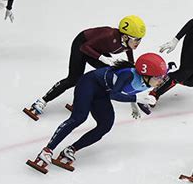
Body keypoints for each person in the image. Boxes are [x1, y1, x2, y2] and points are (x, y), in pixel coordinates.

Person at [26, 53, 167, 174]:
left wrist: (134, 104)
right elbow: (114, 94)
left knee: (105, 125)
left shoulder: (147, 82)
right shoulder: (128, 75)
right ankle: (47, 151)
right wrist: (136, 99)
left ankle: (71, 149)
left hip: (102, 92)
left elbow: (129, 91)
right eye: (158, 77)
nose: (161, 81)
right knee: (79, 118)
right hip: (89, 84)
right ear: (145, 74)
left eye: (162, 77)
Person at [23, 15, 146, 120]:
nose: (138, 43)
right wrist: (103, 59)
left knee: (110, 76)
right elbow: (84, 47)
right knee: (74, 79)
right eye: (136, 40)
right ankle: (41, 102)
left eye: (140, 40)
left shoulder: (128, 43)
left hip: (98, 50)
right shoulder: (109, 36)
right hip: (82, 45)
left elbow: (129, 69)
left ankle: (80, 100)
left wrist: (132, 101)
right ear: (125, 37)